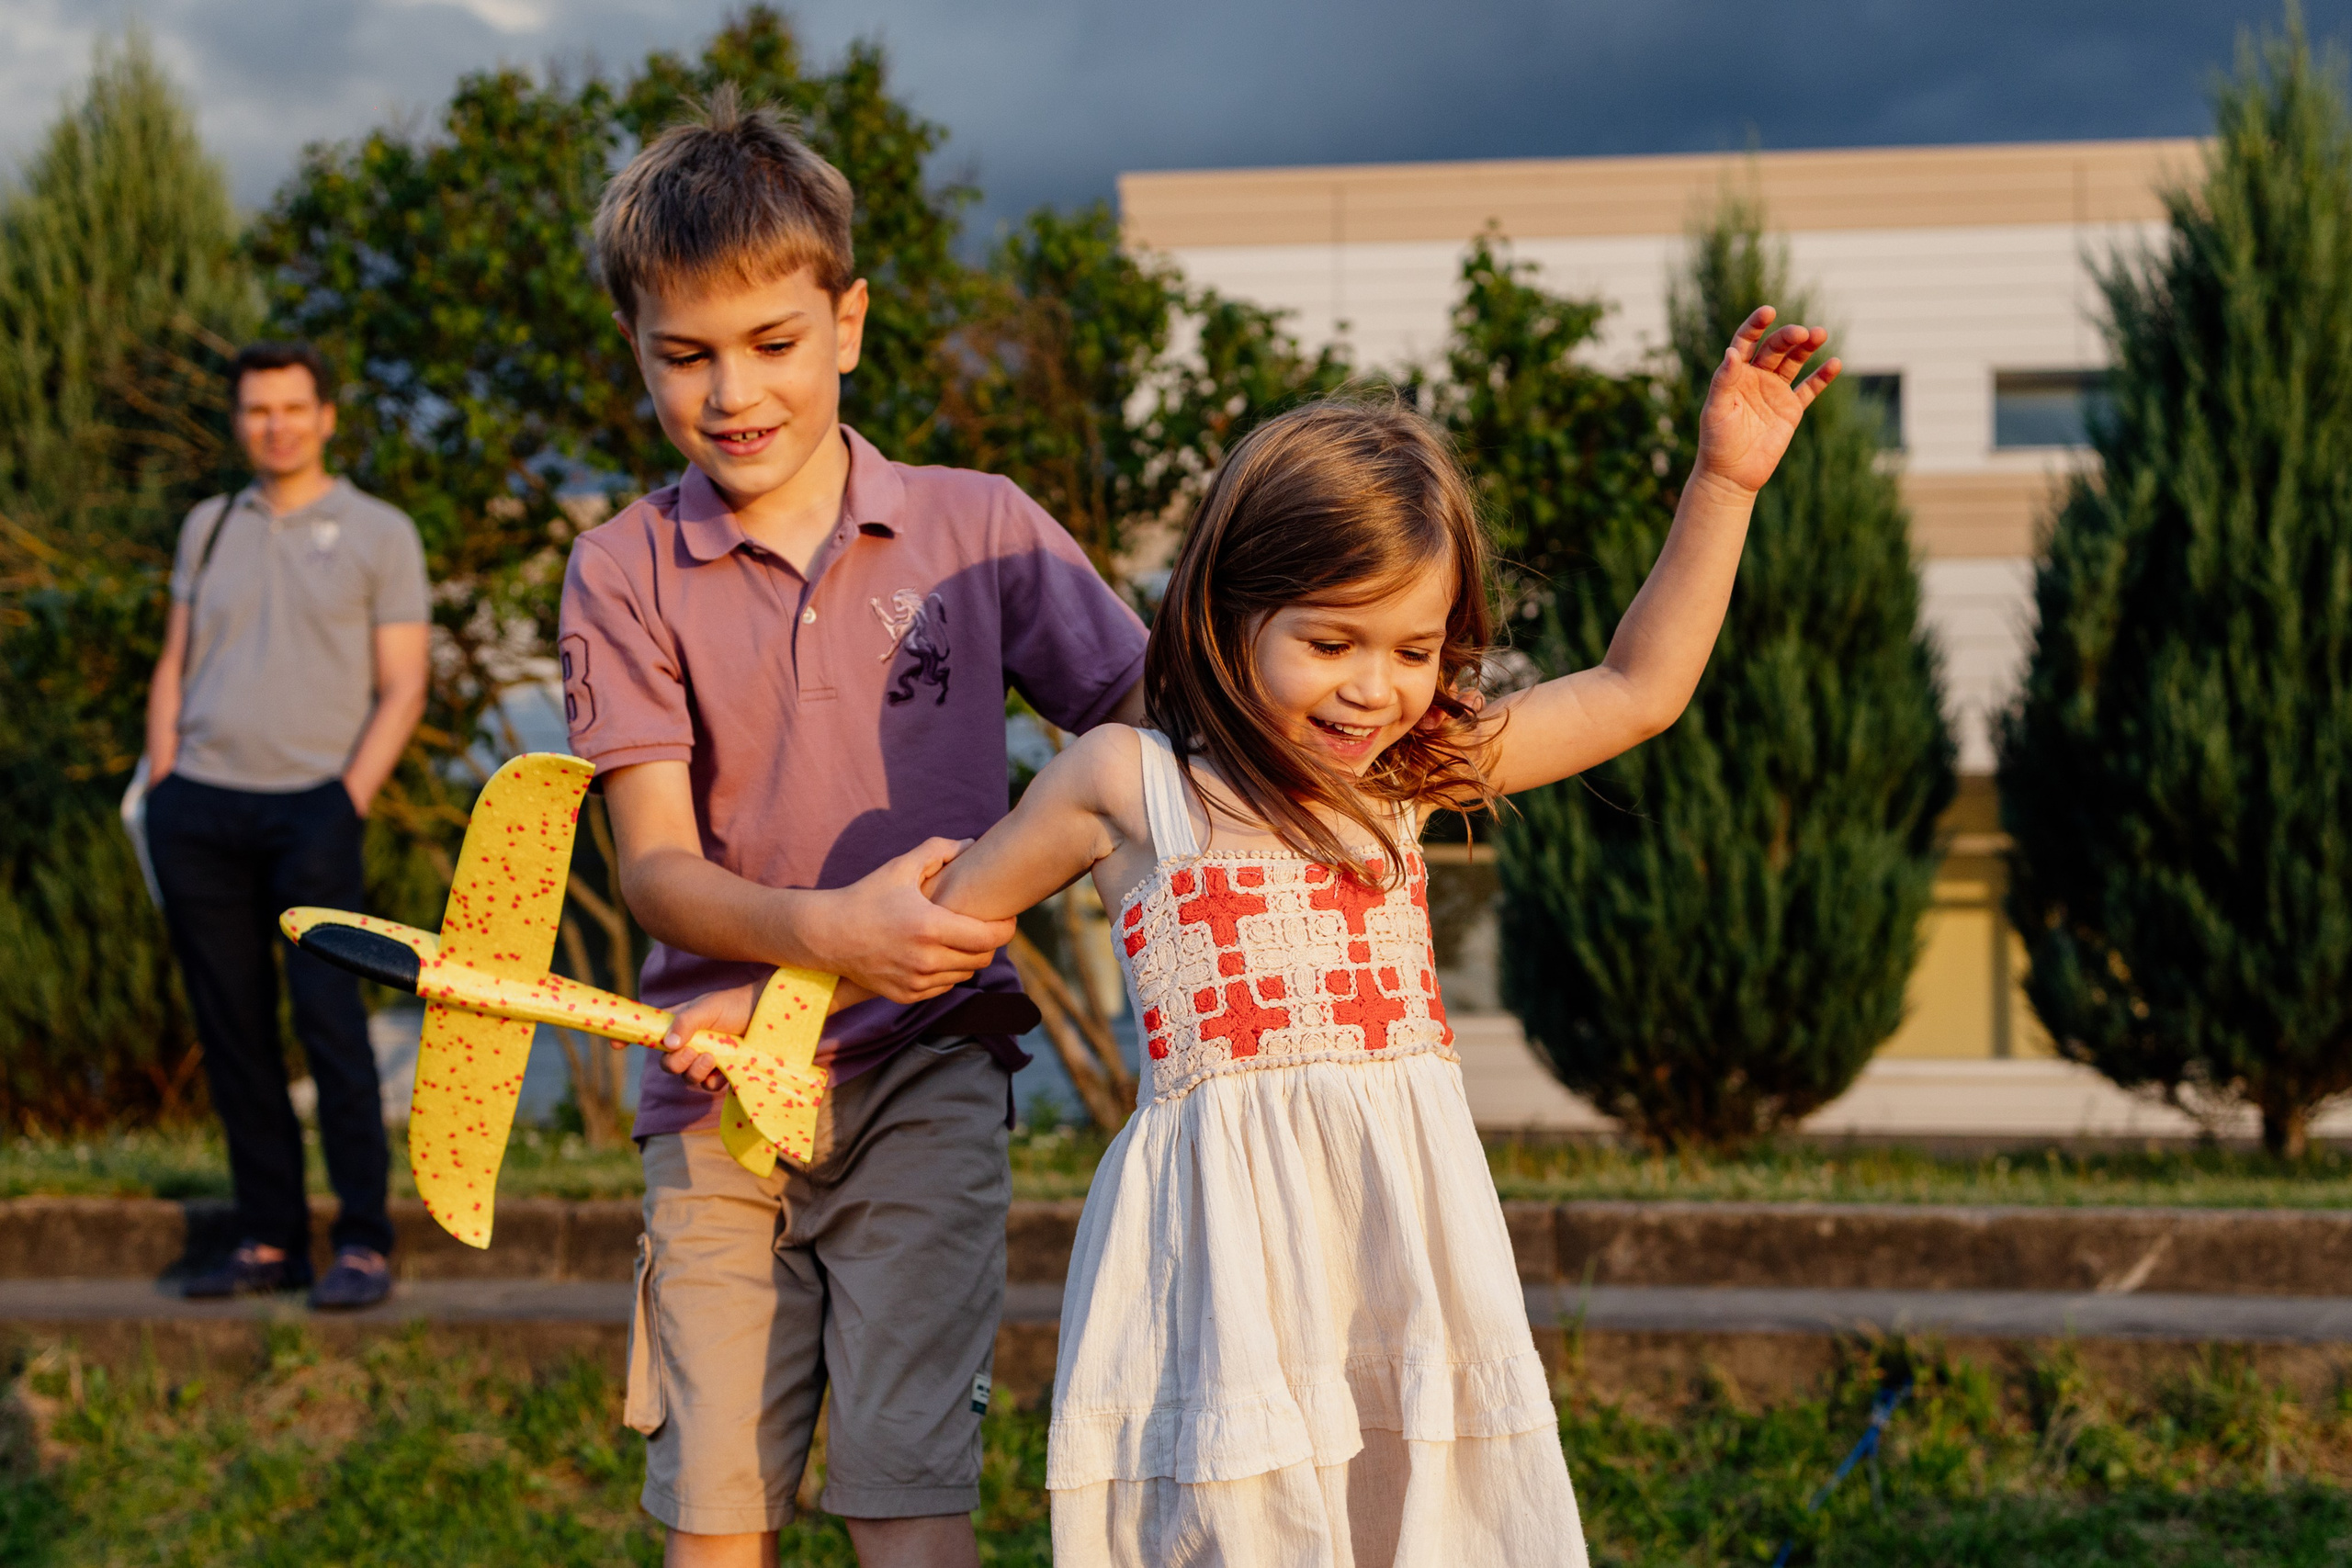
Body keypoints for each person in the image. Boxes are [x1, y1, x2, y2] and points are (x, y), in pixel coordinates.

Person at [669, 307, 1838, 1563]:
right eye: (1329, 642)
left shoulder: (1403, 776)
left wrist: (1723, 479)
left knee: (1420, 1515)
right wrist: (763, 1009)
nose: (1371, 687)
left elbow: (1635, 690)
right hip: (1225, 1257)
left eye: (1412, 649)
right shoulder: (1125, 782)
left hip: (1401, 1244)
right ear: (1228, 618)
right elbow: (938, 933)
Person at [557, 90, 1148, 1567]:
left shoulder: (982, 525)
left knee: (907, 1498)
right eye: (682, 355)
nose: (731, 391)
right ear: (636, 348)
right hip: (711, 1095)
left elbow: (1153, 733)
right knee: (717, 1518)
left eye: (773, 343)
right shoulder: (620, 569)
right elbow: (656, 869)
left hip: (930, 1071)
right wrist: (822, 934)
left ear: (851, 322)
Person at [142, 341, 431, 1310]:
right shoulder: (208, 526)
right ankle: (269, 1238)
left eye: (293, 408)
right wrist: (165, 776)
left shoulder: (379, 532)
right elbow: (176, 660)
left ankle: (362, 1240)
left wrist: (345, 796)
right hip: (198, 809)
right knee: (233, 1034)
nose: (277, 425)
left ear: (326, 417)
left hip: (313, 808)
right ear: (240, 422)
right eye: (258, 410)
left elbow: (403, 686)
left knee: (330, 1025)